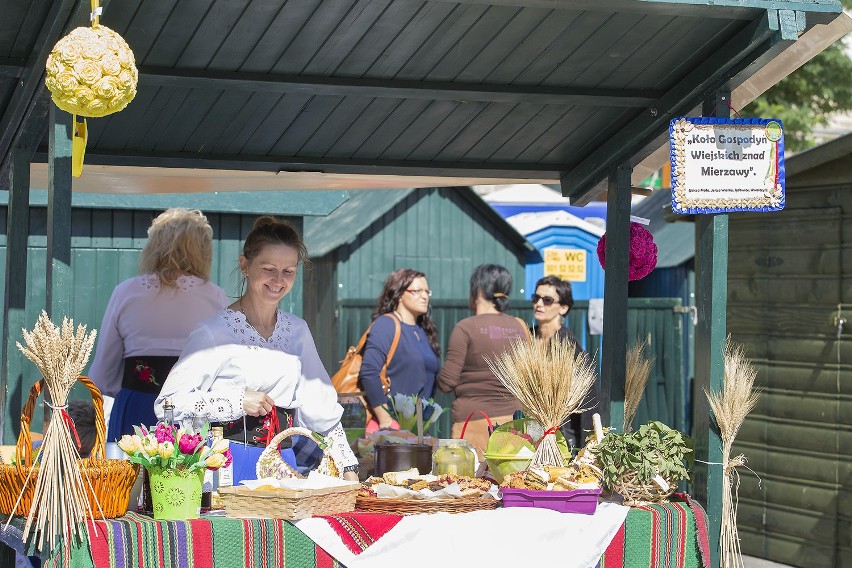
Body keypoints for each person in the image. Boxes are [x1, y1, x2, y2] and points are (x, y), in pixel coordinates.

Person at [155, 216, 359, 481]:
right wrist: (237, 400)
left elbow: (321, 410)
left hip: (283, 468)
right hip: (227, 465)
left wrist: (348, 466)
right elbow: (167, 403)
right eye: (269, 269)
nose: (278, 280)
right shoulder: (214, 332)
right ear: (245, 265)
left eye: (288, 271)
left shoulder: (298, 331)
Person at [89, 208, 228, 441]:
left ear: (153, 246)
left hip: (137, 405)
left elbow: (102, 374)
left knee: (130, 476)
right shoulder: (216, 297)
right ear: (203, 251)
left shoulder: (126, 292)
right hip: (192, 412)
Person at [437, 264, 529, 458]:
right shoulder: (520, 327)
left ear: (478, 290)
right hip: (514, 426)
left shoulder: (465, 328)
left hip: (472, 423)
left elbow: (447, 383)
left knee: (472, 485)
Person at [359, 268, 441, 430]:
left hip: (416, 428)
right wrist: (386, 420)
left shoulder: (423, 331)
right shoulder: (386, 324)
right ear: (399, 294)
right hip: (388, 427)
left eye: (426, 291)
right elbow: (369, 372)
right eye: (417, 291)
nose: (424, 296)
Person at [530, 275, 600, 449]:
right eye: (536, 298)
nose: (539, 304)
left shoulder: (567, 344)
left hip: (561, 433)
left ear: (563, 308)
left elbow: (588, 394)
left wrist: (584, 442)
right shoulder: (527, 338)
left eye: (547, 300)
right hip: (531, 427)